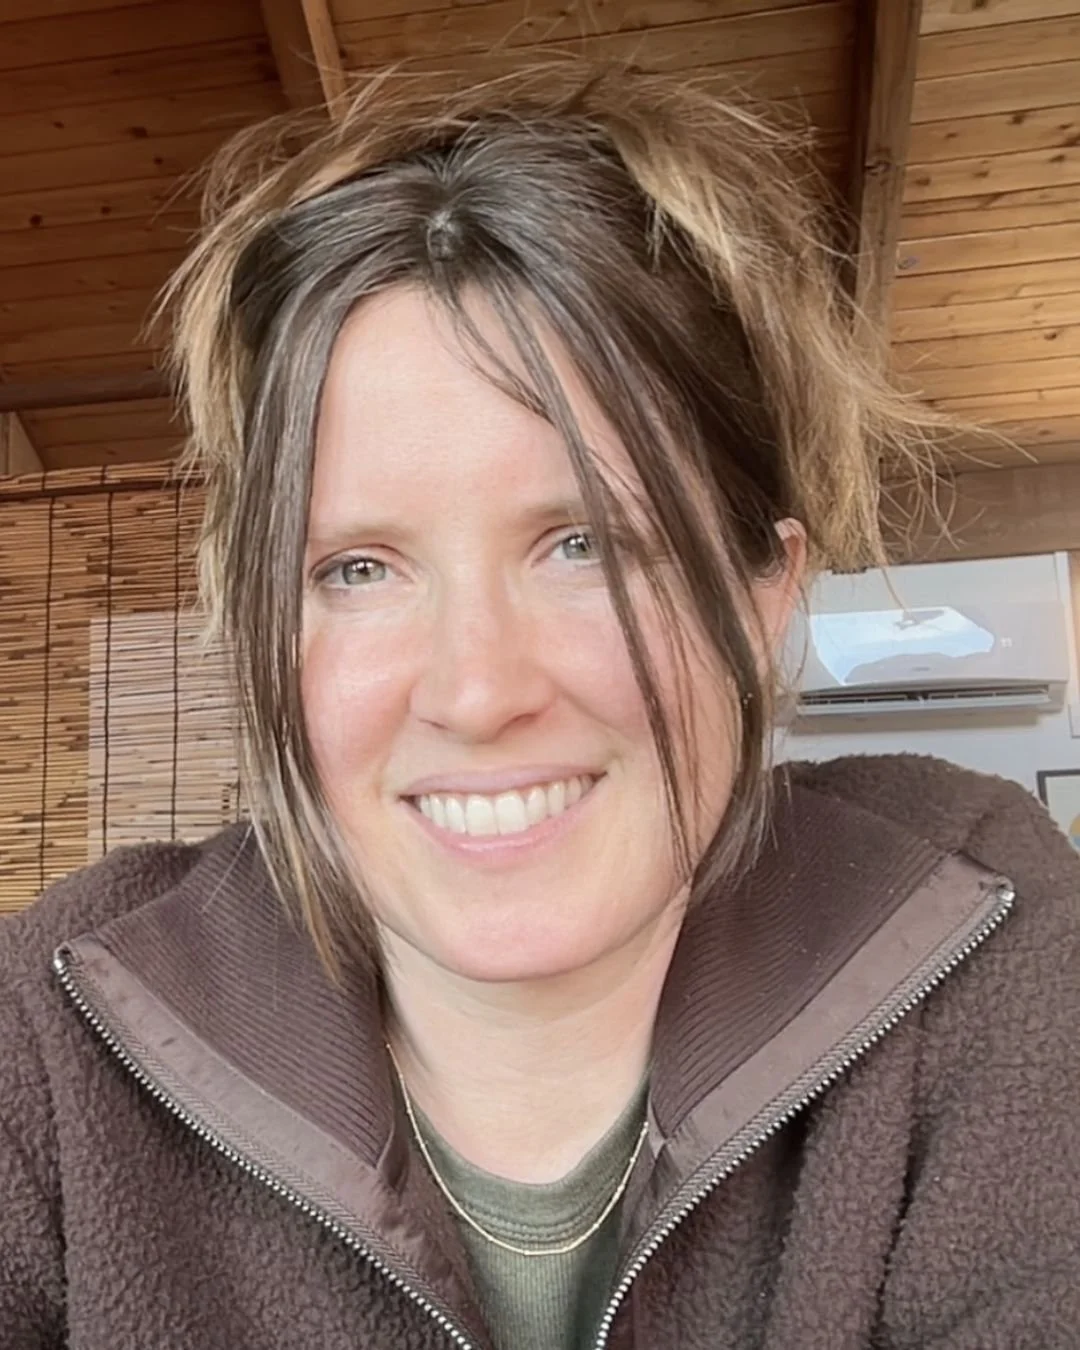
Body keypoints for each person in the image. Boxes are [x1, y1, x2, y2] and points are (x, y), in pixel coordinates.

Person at [1, 60, 1077, 1350]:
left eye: (587, 546)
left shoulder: (979, 935)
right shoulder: (53, 1034)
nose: (475, 690)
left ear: (766, 591)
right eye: (356, 569)